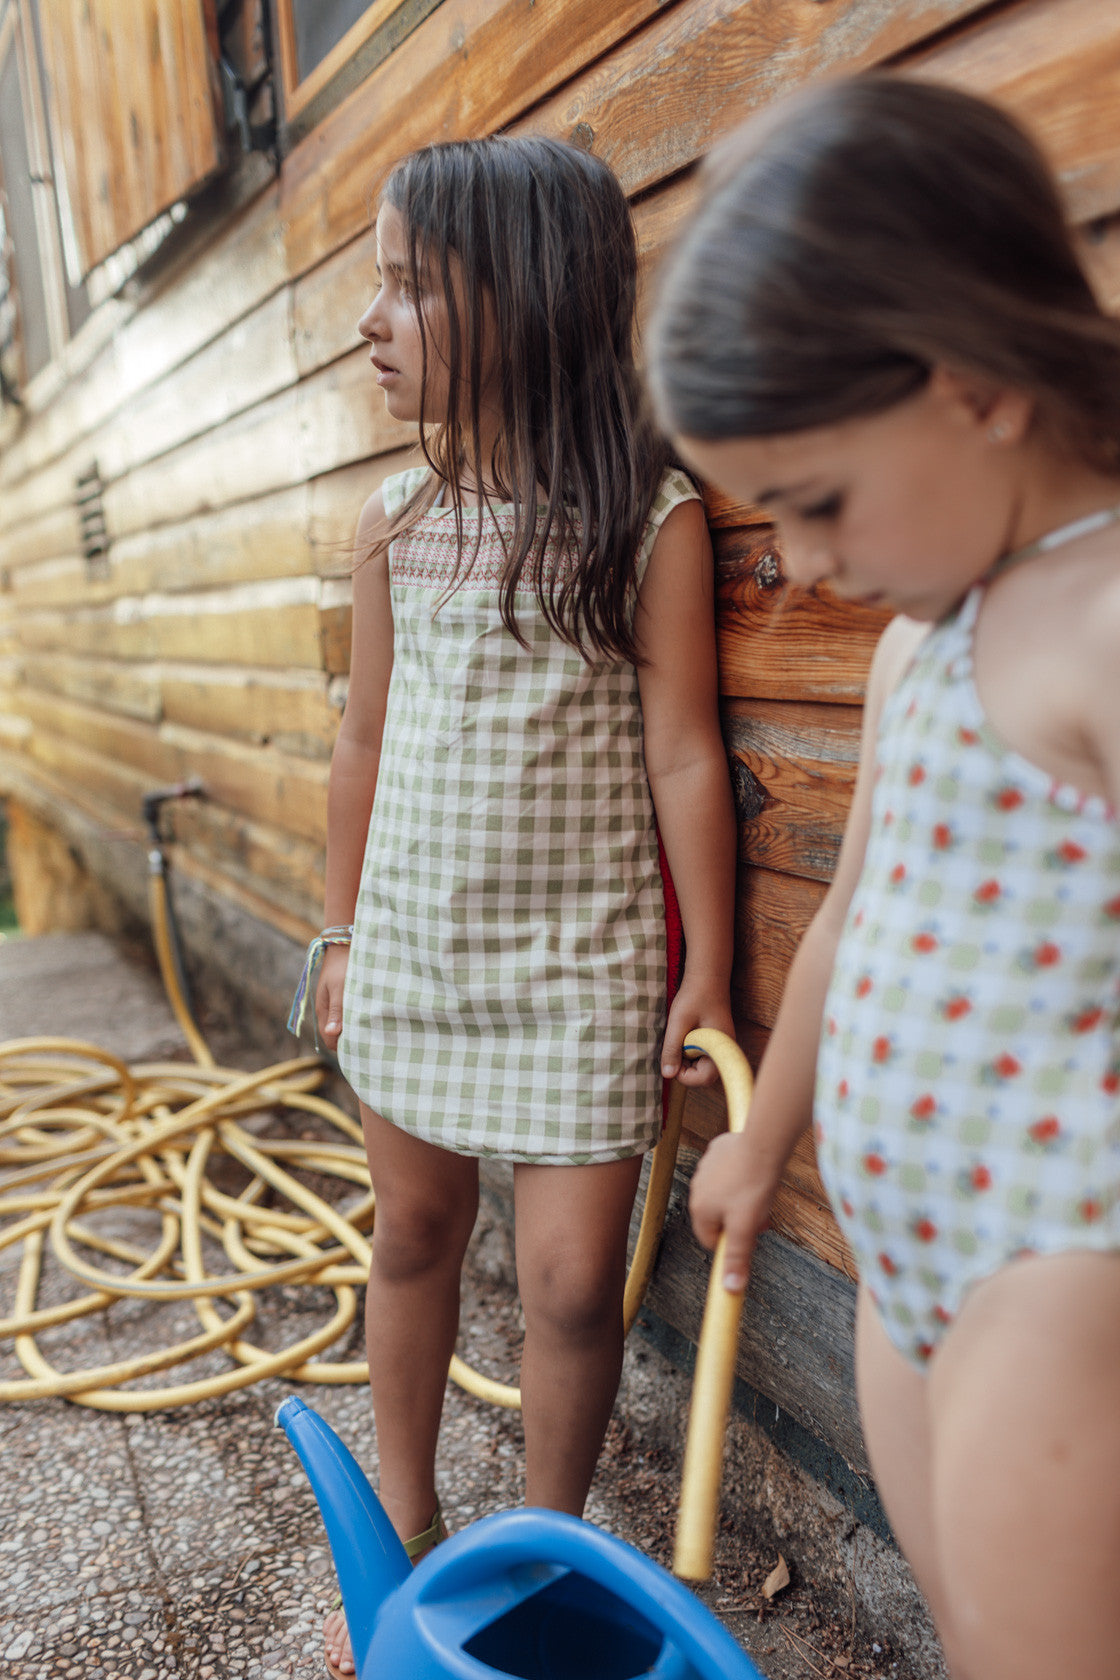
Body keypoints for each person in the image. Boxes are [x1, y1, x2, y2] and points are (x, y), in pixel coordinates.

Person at [648, 73, 1120, 1680]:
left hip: (1062, 1269)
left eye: (819, 498)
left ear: (976, 380)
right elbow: (858, 908)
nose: (812, 562)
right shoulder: (927, 637)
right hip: (903, 1249)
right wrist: (763, 1142)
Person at [304, 135, 736, 1678]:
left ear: (526, 301)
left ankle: (551, 1550)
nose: (374, 317)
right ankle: (409, 1537)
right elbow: (360, 744)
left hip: (579, 970)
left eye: (409, 287)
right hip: (419, 949)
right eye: (376, 284)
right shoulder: (393, 527)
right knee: (414, 1229)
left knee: (566, 1285)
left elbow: (686, 753)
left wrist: (711, 977)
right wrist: (344, 931)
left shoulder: (645, 517)